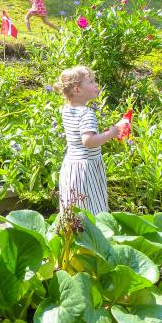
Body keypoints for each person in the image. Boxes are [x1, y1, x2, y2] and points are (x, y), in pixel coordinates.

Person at [54, 65, 123, 215]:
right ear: (77, 90)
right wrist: (110, 134)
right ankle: (94, 237)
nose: (96, 84)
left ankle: (71, 235)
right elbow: (88, 141)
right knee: (92, 209)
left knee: (73, 209)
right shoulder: (86, 113)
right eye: (91, 82)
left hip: (71, 166)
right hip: (87, 169)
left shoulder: (67, 109)